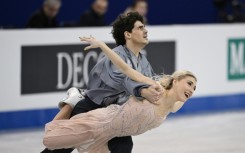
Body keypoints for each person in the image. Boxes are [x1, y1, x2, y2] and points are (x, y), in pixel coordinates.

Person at [43, 36, 197, 153]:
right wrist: (102, 45)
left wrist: (185, 91)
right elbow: (126, 69)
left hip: (114, 134)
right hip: (102, 121)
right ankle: (72, 102)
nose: (192, 89)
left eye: (195, 88)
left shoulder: (174, 106)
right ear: (175, 81)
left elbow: (180, 96)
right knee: (52, 142)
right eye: (189, 83)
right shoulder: (154, 89)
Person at [41, 12, 162, 153]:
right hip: (91, 108)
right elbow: (125, 80)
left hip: (114, 115)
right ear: (128, 34)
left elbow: (153, 80)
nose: (145, 30)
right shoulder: (116, 56)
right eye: (140, 28)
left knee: (123, 147)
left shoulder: (142, 60)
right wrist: (142, 91)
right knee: (60, 149)